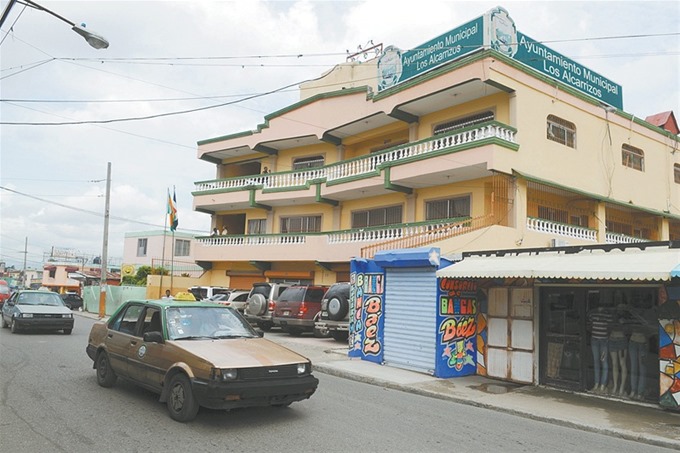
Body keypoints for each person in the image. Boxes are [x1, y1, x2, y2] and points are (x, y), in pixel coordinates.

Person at [588, 304, 614, 393]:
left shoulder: (607, 314)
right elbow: (590, 325)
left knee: (604, 362)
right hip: (595, 339)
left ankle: (602, 385)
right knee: (596, 362)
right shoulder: (593, 314)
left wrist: (607, 337)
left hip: (603, 341)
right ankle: (596, 383)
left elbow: (610, 327)